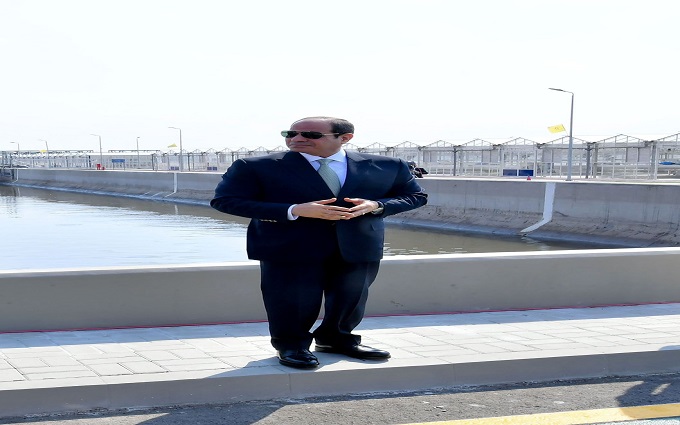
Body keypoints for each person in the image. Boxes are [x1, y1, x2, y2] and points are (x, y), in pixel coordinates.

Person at [210, 116, 427, 369]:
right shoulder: (254, 166)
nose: (297, 139)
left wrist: (377, 205)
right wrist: (294, 210)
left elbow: (415, 195)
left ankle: (337, 340)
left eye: (311, 135)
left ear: (344, 138)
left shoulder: (387, 165)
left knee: (351, 297)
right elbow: (225, 201)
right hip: (288, 246)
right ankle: (292, 346)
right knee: (292, 300)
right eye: (290, 134)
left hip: (358, 244)